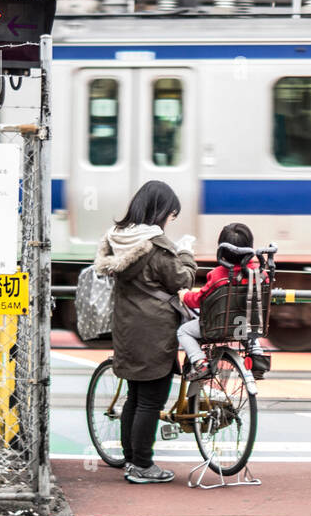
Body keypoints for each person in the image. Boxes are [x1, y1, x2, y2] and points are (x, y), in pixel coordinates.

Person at [93, 180, 197, 484]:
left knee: (135, 396)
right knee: (151, 399)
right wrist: (187, 253)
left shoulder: (116, 239)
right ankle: (142, 465)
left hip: (127, 326)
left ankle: (130, 457)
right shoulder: (157, 246)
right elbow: (182, 280)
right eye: (170, 215)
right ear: (161, 211)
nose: (169, 221)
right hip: (154, 330)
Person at [178, 222, 271, 381]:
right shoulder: (259, 274)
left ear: (221, 249)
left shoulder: (218, 275)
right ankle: (257, 357)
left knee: (184, 331)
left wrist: (184, 295)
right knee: (249, 327)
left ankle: (201, 363)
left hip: (217, 327)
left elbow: (199, 300)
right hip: (243, 325)